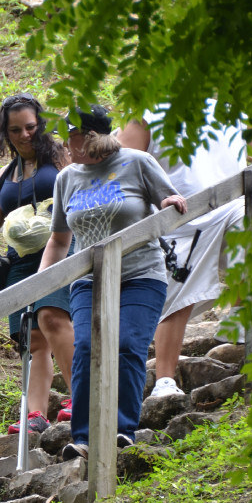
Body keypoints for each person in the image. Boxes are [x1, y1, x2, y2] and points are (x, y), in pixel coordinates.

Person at [117, 105, 252, 397]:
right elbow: (122, 163)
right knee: (176, 300)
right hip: (177, 217)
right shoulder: (148, 108)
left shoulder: (231, 105)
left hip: (229, 203)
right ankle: (165, 380)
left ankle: (245, 321)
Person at [38, 105, 187, 460]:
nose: (67, 144)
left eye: (72, 136)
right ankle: (85, 436)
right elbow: (59, 240)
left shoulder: (136, 162)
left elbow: (168, 199)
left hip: (140, 274)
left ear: (93, 136)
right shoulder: (67, 178)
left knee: (126, 344)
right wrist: (41, 286)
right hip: (88, 279)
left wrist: (167, 202)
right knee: (86, 348)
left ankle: (122, 429)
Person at [0, 94, 75, 433]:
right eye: (15, 130)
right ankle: (36, 414)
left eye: (30, 127)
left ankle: (80, 396)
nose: (25, 135)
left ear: (41, 124)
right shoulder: (6, 174)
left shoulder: (62, 157)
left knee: (53, 318)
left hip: (60, 248)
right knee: (31, 337)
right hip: (19, 260)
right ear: (6, 133)